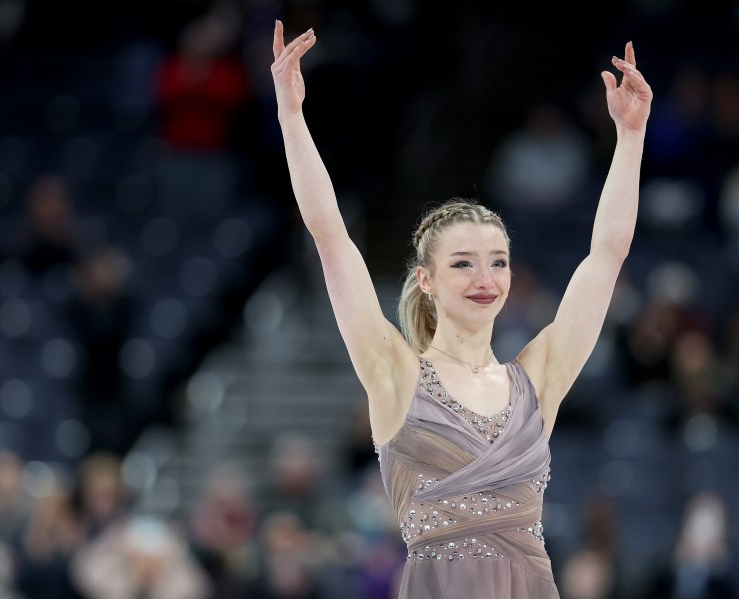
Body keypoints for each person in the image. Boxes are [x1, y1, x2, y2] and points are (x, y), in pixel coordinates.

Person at [270, 18, 651, 597]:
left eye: (498, 261)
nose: (485, 278)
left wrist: (629, 140)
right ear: (425, 279)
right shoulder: (393, 373)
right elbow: (331, 237)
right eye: (463, 263)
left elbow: (605, 256)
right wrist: (292, 118)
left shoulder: (537, 379)